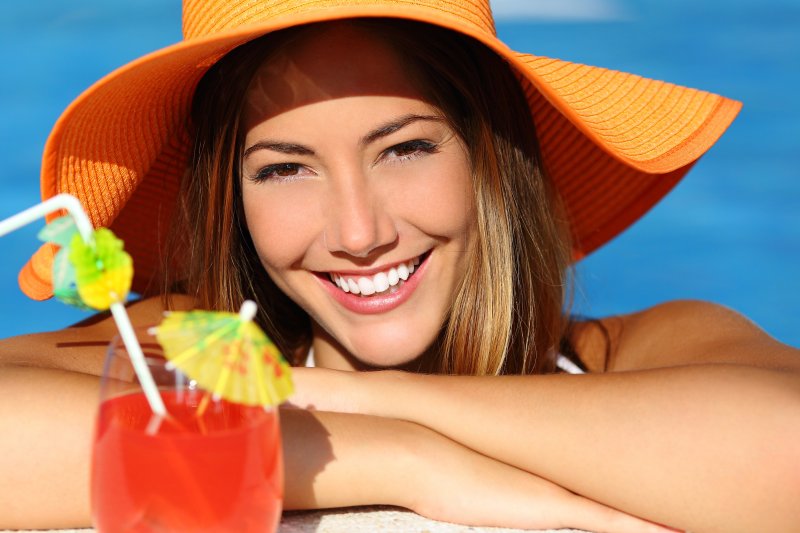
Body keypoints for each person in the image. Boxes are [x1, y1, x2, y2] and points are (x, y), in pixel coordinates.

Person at [1, 1, 798, 531]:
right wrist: (402, 457)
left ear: (492, 159)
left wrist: (353, 395)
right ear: (232, 199)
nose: (358, 232)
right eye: (284, 168)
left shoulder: (636, 353)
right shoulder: (195, 340)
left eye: (405, 148)